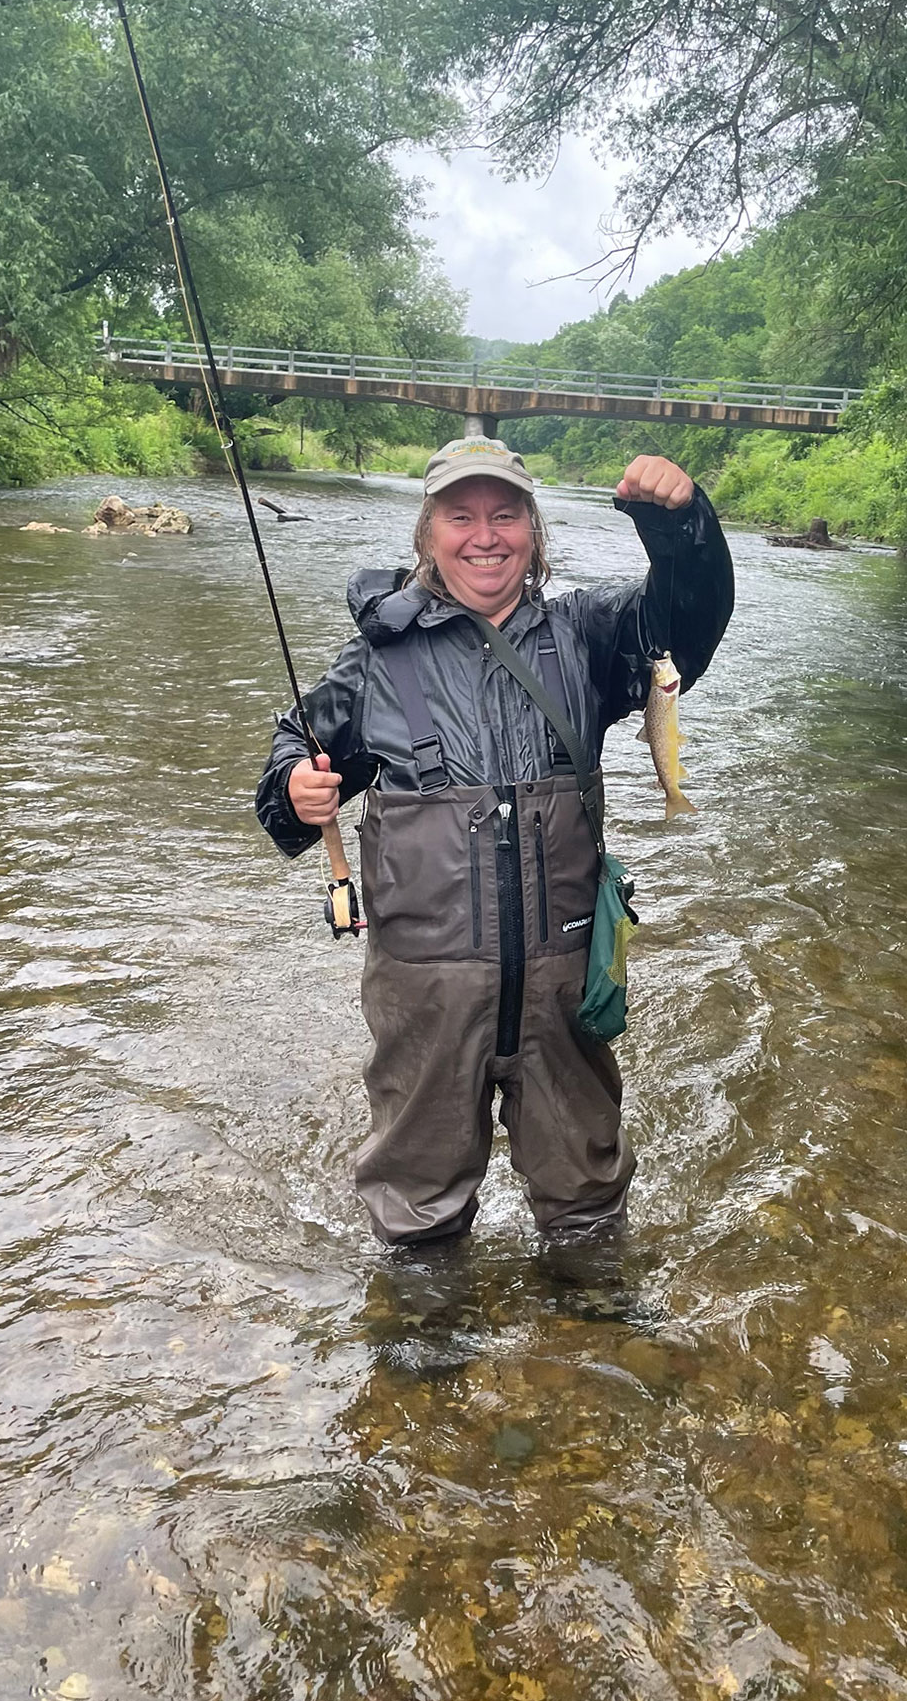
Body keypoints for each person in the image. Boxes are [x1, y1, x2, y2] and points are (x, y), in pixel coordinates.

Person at [254, 436, 734, 1245]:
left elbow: (686, 625)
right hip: (426, 996)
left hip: (566, 991)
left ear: (533, 532)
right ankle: (422, 1317)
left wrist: (679, 524)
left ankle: (590, 1314)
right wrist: (295, 789)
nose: (486, 536)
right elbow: (288, 765)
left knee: (588, 1206)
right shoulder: (374, 661)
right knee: (417, 1216)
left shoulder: (589, 636)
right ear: (428, 534)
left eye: (506, 515)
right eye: (462, 516)